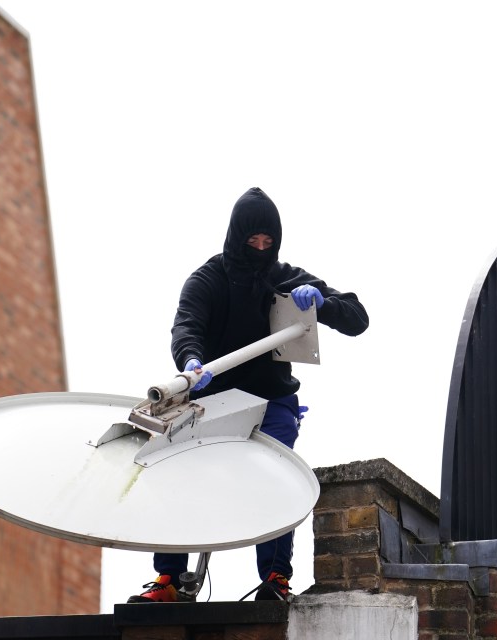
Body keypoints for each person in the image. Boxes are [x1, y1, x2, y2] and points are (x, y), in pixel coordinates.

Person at [128, 187, 369, 603]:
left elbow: (357, 317)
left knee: (275, 478)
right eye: (251, 241)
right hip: (211, 397)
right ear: (235, 238)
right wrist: (191, 364)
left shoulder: (283, 277)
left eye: (267, 242)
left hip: (272, 401)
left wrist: (322, 304)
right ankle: (169, 580)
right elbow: (187, 327)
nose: (259, 249)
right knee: (178, 468)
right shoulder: (208, 280)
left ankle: (274, 580)